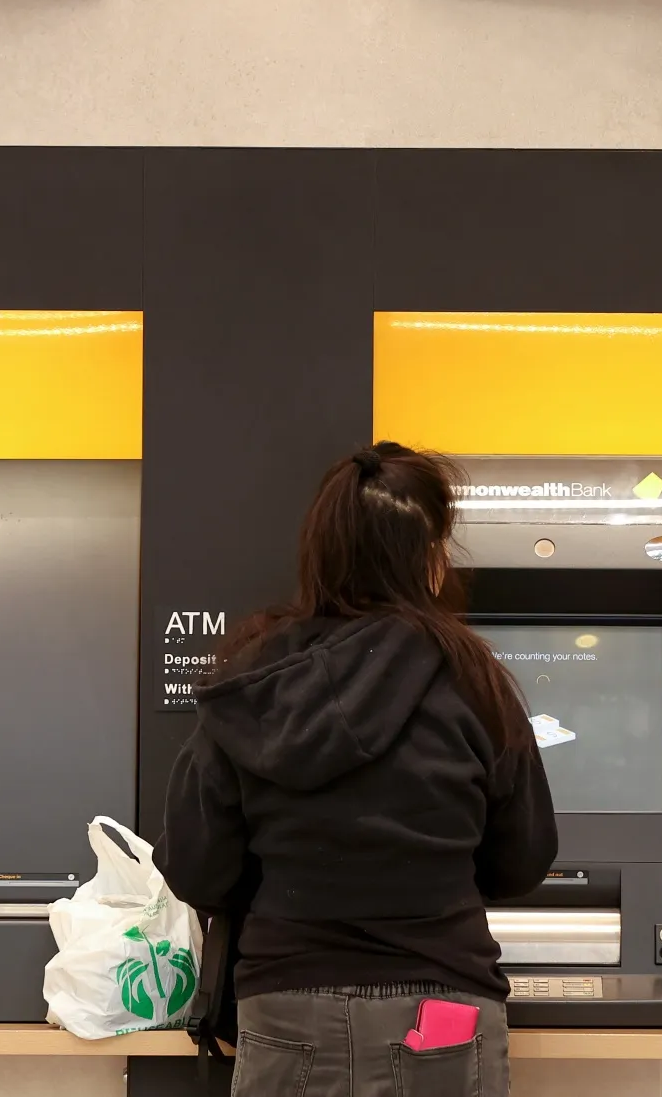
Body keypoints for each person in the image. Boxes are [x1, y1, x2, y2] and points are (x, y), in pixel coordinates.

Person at [156, 441, 557, 1096]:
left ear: (321, 556)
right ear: (430, 560)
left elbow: (197, 865)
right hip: (444, 1008)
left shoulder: (254, 680)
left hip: (288, 1004)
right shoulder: (476, 682)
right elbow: (524, 858)